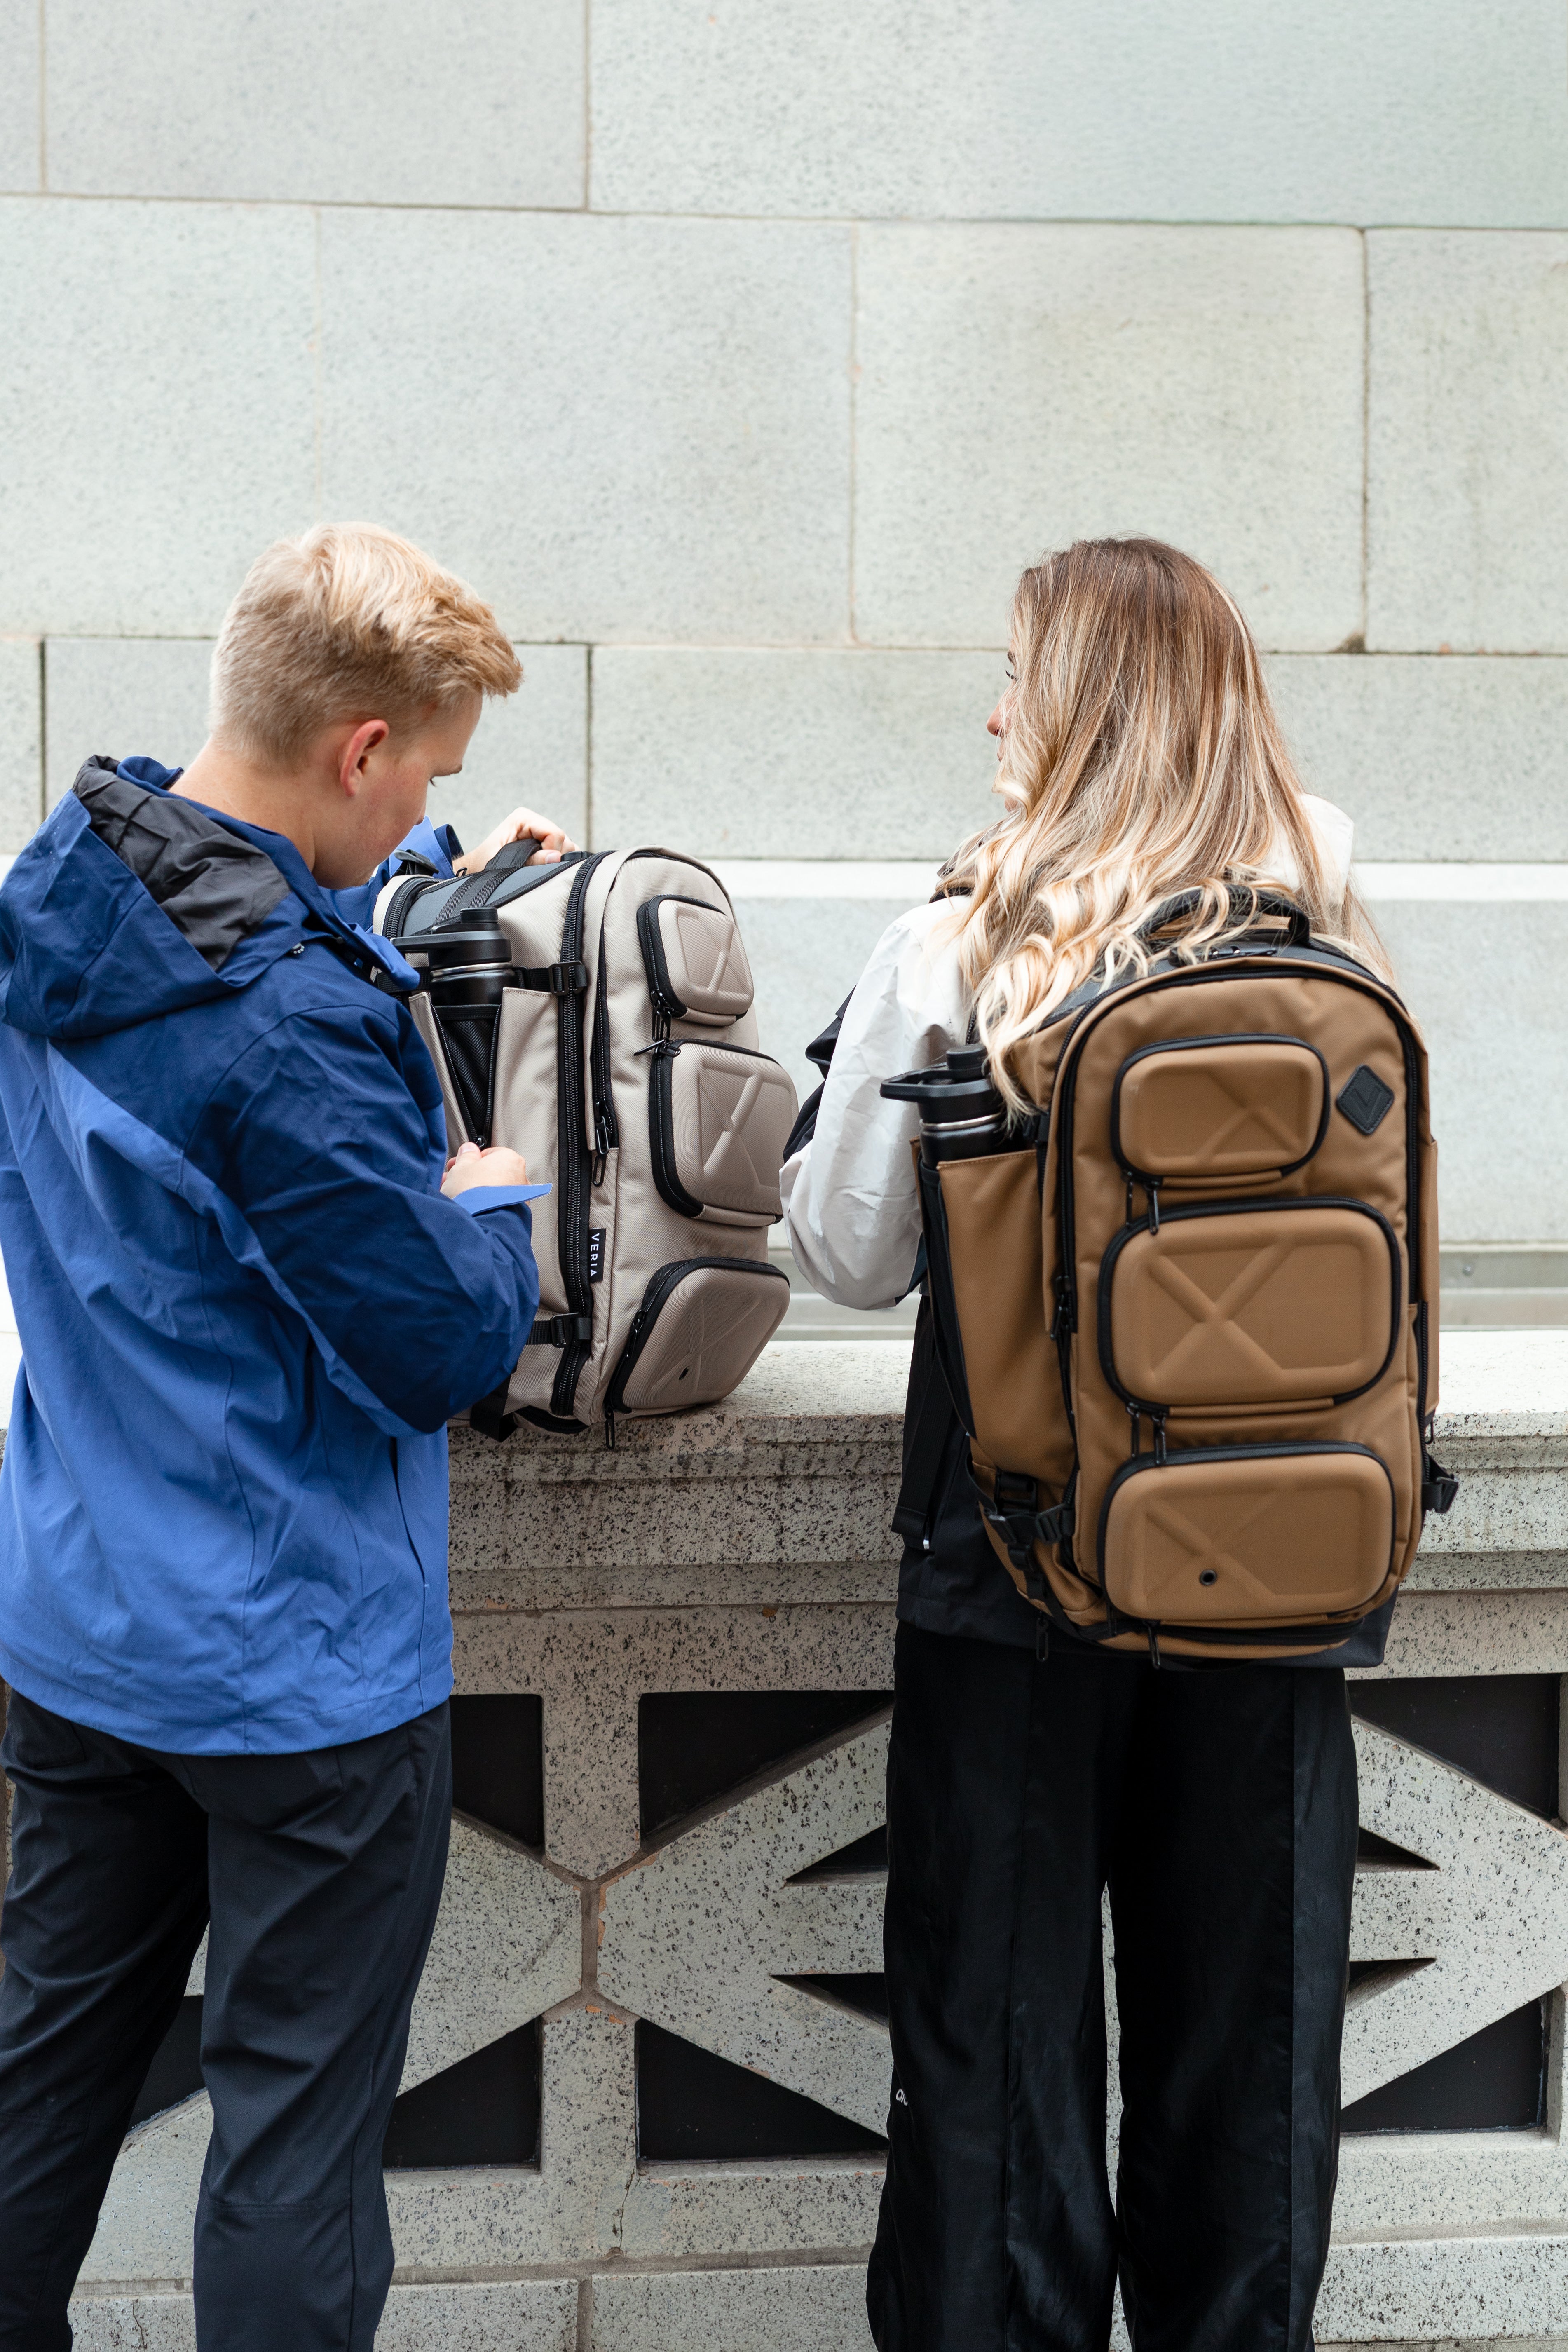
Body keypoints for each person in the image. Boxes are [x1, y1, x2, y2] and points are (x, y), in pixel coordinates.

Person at [783, 538, 1395, 2352]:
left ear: (1078, 707)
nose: (988, 705)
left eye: (1012, 669)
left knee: (995, 2055)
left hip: (1016, 1568)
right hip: (1286, 1561)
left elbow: (846, 1249)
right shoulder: (1324, 917)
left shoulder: (958, 942)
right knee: (1252, 2057)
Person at [0, 523, 577, 2351]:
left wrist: (421, 870)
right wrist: (490, 1204)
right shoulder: (290, 1037)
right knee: (292, 2148)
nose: (430, 793)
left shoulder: (64, 874)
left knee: (39, 2078)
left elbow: (225, 933)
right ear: (360, 745)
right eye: (427, 765)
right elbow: (429, 1347)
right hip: (296, 1677)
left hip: (83, 1627)